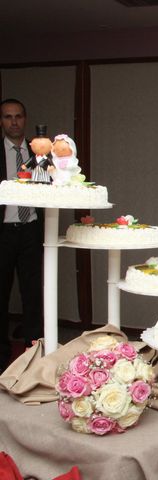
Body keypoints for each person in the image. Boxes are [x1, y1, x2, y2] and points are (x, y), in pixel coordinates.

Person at [0, 99, 44, 373]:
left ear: (25, 119)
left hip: (31, 230)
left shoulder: (39, 151)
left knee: (33, 293)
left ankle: (34, 350)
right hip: (3, 231)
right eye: (7, 117)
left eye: (18, 116)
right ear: (1, 121)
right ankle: (2, 354)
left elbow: (51, 185)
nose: (13, 122)